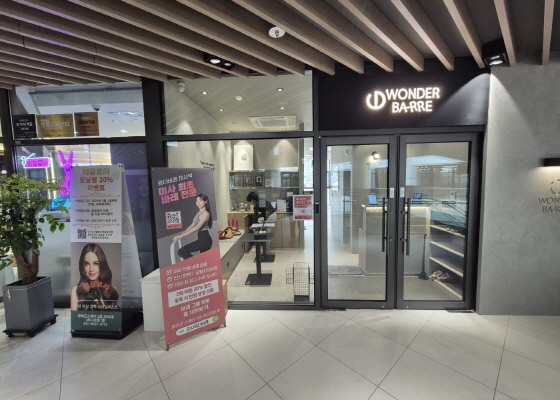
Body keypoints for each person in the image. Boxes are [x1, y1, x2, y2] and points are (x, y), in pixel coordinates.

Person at [70, 243, 119, 311]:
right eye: (86, 264)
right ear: (82, 265)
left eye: (96, 263)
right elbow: (75, 317)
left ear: (102, 264)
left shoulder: (112, 290)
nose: (91, 269)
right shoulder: (76, 291)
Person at [174, 193, 213, 259]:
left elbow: (197, 228)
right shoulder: (198, 213)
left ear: (206, 201)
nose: (198, 203)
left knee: (181, 251)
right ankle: (198, 262)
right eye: (197, 201)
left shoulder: (206, 214)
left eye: (200, 200)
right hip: (201, 238)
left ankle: (196, 262)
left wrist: (182, 236)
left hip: (205, 239)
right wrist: (181, 234)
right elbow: (192, 225)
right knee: (204, 260)